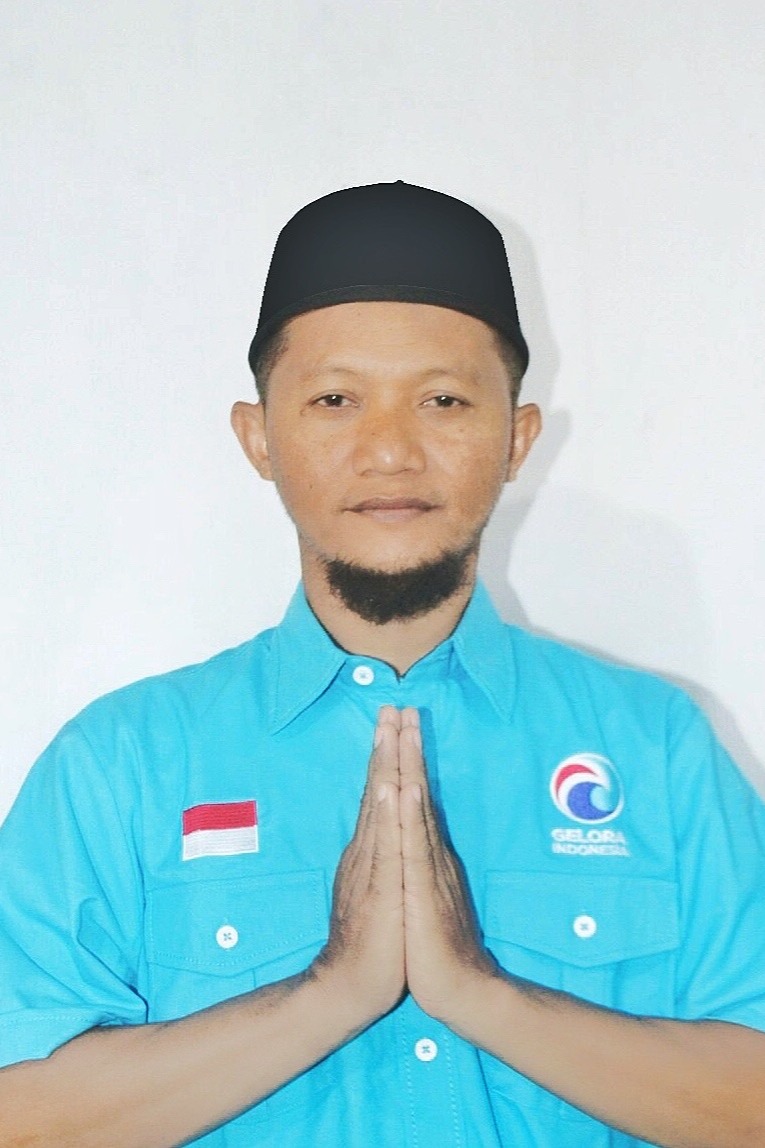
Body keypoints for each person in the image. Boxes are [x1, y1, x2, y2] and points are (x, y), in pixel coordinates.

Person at [1, 181, 764, 1148]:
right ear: (258, 437)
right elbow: (24, 1118)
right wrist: (332, 992)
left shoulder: (654, 745)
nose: (391, 452)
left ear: (517, 437)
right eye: (335, 400)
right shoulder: (122, 761)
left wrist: (477, 993)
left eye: (443, 400)